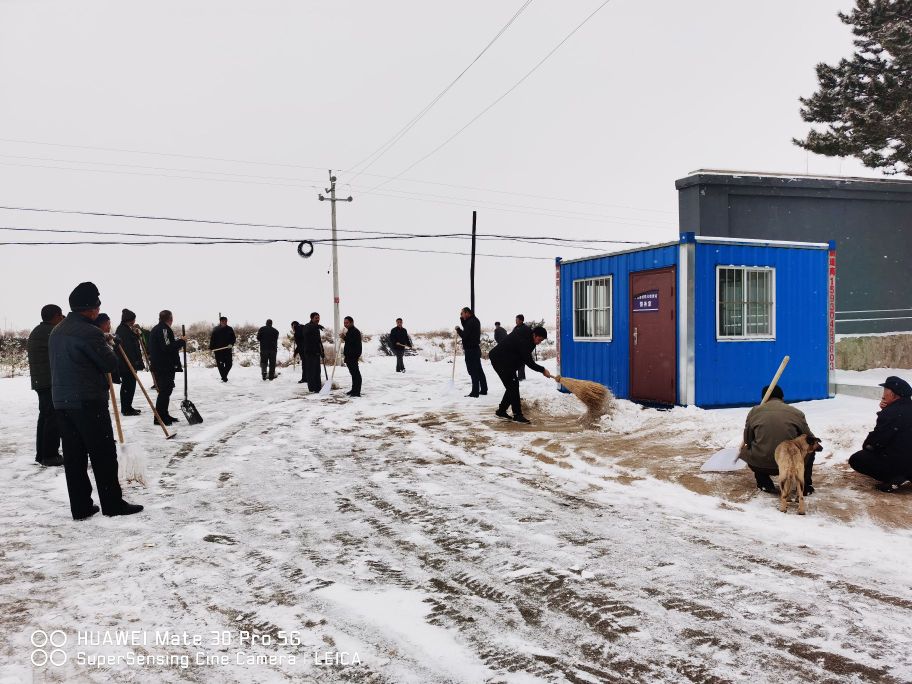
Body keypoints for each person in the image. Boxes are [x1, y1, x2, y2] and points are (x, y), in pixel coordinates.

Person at [49, 282, 142, 519]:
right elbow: (110, 364)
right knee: (103, 454)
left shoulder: (57, 331)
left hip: (61, 402)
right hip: (88, 401)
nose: (98, 312)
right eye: (97, 307)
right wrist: (109, 343)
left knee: (74, 457)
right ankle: (112, 505)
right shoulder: (90, 332)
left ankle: (80, 507)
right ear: (90, 309)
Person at [738, 385, 818, 494]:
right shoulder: (796, 413)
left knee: (746, 450)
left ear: (764, 398)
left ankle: (764, 482)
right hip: (790, 464)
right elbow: (809, 438)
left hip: (762, 464)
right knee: (810, 448)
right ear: (782, 397)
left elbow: (748, 439)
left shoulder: (754, 412)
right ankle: (804, 485)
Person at [848, 376, 912, 492]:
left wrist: (868, 446)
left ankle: (896, 477)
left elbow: (876, 442)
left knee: (857, 459)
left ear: (893, 395)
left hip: (901, 463)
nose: (883, 396)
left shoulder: (890, 413)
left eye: (885, 392)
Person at [488, 324, 551, 424]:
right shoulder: (525, 340)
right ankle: (517, 415)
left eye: (542, 340)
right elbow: (529, 362)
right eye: (539, 339)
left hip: (507, 361)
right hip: (499, 360)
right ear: (534, 335)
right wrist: (543, 370)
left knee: (512, 385)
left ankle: (501, 411)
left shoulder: (529, 339)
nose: (539, 342)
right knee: (513, 386)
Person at [26, 304, 64, 466]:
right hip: (49, 381)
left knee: (45, 417)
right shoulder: (51, 332)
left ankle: (41, 454)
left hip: (41, 381)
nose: (62, 319)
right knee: (52, 419)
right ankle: (50, 455)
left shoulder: (38, 331)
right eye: (60, 316)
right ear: (55, 316)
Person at [148, 310, 185, 426]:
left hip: (162, 365)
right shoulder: (163, 329)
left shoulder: (158, 328)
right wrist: (181, 342)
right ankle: (159, 418)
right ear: (170, 318)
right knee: (164, 391)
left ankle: (164, 414)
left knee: (166, 390)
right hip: (163, 366)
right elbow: (167, 347)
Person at [114, 309, 144, 416]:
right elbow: (128, 348)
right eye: (133, 319)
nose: (134, 321)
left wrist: (137, 334)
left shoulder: (126, 329)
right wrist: (134, 363)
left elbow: (133, 342)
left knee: (130, 385)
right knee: (128, 386)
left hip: (129, 363)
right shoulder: (122, 330)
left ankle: (128, 406)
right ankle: (126, 409)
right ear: (129, 320)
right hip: (126, 364)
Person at [456, 306, 487, 398]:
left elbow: (464, 335)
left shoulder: (471, 322)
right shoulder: (474, 320)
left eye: (462, 313)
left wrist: (458, 330)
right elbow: (466, 326)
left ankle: (475, 392)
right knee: (479, 370)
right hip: (475, 349)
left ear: (467, 313)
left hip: (471, 350)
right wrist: (462, 319)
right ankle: (484, 389)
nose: (462, 315)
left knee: (473, 371)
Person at [300, 312, 324, 392]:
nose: (318, 319)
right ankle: (312, 388)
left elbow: (319, 341)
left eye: (318, 318)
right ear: (312, 318)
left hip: (316, 352)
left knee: (317, 371)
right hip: (310, 352)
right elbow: (307, 334)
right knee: (311, 371)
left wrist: (322, 351)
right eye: (316, 318)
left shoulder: (316, 328)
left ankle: (318, 387)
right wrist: (316, 326)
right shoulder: (307, 326)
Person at [210, 316, 236, 382]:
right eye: (223, 321)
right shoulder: (216, 329)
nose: (225, 322)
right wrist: (211, 347)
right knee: (220, 365)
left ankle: (224, 375)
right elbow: (212, 339)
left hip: (227, 349)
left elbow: (233, 338)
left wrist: (231, 344)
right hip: (218, 350)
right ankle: (224, 377)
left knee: (229, 364)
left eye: (226, 321)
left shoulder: (230, 329)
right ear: (220, 322)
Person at [341, 316, 362, 397]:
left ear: (352, 322)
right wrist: (345, 337)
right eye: (344, 323)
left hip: (353, 355)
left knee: (356, 373)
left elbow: (353, 342)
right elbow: (349, 341)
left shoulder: (355, 331)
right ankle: (354, 389)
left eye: (347, 323)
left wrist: (344, 337)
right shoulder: (349, 331)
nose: (345, 324)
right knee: (353, 373)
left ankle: (357, 392)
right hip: (349, 356)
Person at [513, 314, 529, 380]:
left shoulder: (525, 328)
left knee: (521, 364)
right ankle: (520, 377)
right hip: (516, 349)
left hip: (523, 349)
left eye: (517, 320)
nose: (516, 321)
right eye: (515, 320)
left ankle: (521, 378)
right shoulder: (515, 328)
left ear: (521, 320)